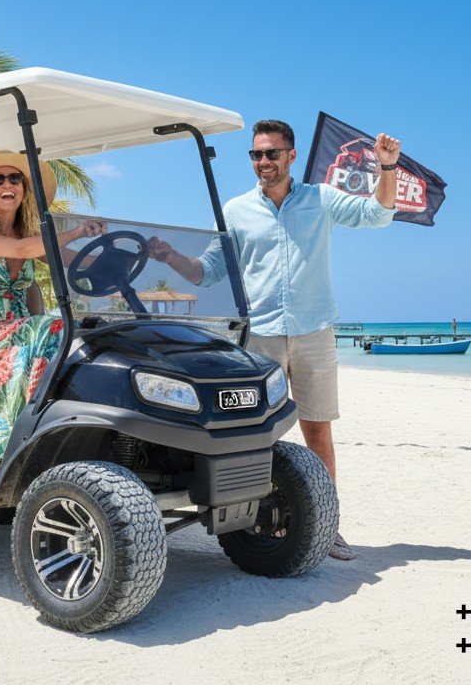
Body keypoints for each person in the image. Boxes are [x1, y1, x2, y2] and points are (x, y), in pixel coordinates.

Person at [149, 119, 400, 561]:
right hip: (259, 338)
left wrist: (387, 170)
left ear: (291, 156)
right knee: (253, 431)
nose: (263, 162)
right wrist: (172, 258)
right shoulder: (236, 210)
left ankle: (326, 526)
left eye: (271, 153)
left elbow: (376, 215)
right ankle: (259, 522)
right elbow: (208, 271)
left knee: (317, 430)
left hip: (314, 332)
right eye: (256, 154)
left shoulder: (320, 199)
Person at [0, 150, 102, 479]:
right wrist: (74, 231)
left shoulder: (28, 233)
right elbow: (19, 251)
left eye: (15, 179)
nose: (7, 185)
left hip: (17, 326)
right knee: (55, 326)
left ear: (24, 189)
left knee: (88, 331)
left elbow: (72, 260)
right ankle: (22, 438)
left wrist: (123, 259)